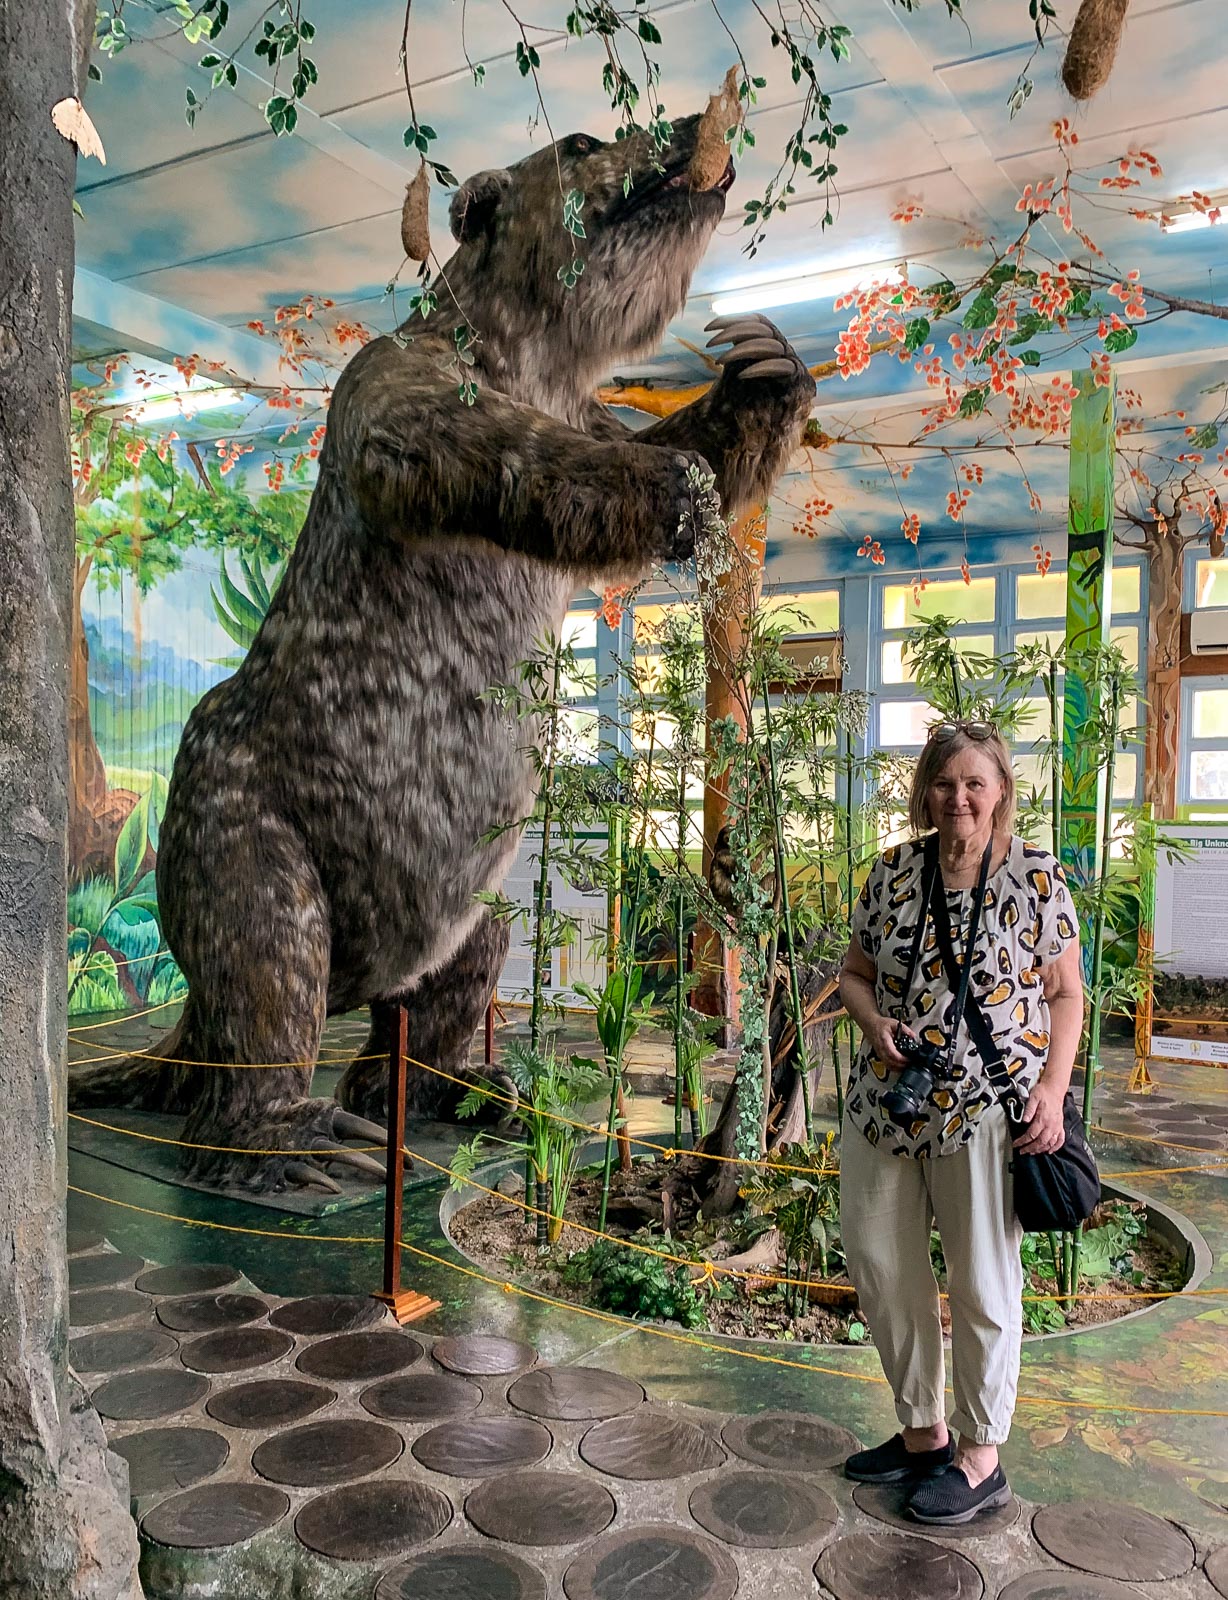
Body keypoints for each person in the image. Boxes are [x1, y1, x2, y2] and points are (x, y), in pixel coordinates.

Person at [837, 718, 1083, 1525]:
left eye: (975, 782)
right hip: (889, 1102)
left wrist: (1053, 1090)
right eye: (944, 783)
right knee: (881, 1265)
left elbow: (1066, 995)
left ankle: (981, 1456)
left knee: (981, 1282)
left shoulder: (1036, 877)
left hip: (985, 1107)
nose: (959, 798)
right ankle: (923, 1435)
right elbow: (854, 974)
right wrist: (875, 1024)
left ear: (1001, 789)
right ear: (926, 792)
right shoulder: (893, 871)